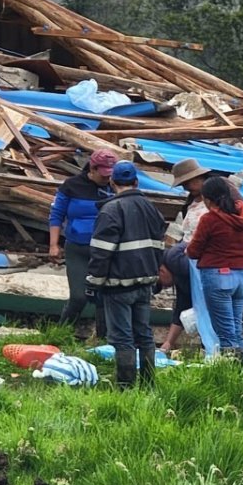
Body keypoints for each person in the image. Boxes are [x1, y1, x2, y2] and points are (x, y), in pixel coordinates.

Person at [86, 160, 166, 390]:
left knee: (123, 339)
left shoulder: (110, 210)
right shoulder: (152, 208)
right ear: (136, 181)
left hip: (118, 286)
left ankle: (125, 387)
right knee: (144, 335)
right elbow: (159, 245)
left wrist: (93, 282)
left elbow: (100, 252)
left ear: (112, 182)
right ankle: (149, 384)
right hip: (145, 283)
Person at [48, 149, 116, 340]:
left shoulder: (114, 188)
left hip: (105, 250)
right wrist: (54, 244)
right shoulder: (71, 186)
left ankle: (104, 340)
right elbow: (56, 215)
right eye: (103, 175)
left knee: (104, 297)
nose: (106, 179)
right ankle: (61, 333)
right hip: (77, 248)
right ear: (92, 169)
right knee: (79, 296)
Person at [187, 177, 243, 361]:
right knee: (235, 328)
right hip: (242, 276)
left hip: (217, 277)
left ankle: (231, 378)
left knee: (225, 332)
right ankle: (240, 374)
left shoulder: (210, 219)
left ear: (208, 200)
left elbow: (193, 251)